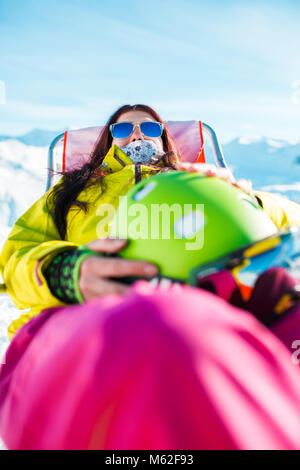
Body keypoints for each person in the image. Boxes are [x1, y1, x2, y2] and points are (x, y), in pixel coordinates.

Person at [1, 104, 300, 450]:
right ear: (110, 141)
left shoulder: (199, 181)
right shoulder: (71, 193)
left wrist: (248, 200)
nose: (138, 134)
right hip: (86, 320)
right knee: (157, 327)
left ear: (165, 137)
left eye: (150, 128)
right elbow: (15, 257)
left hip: (205, 313)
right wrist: (65, 271)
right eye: (123, 130)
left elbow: (292, 221)